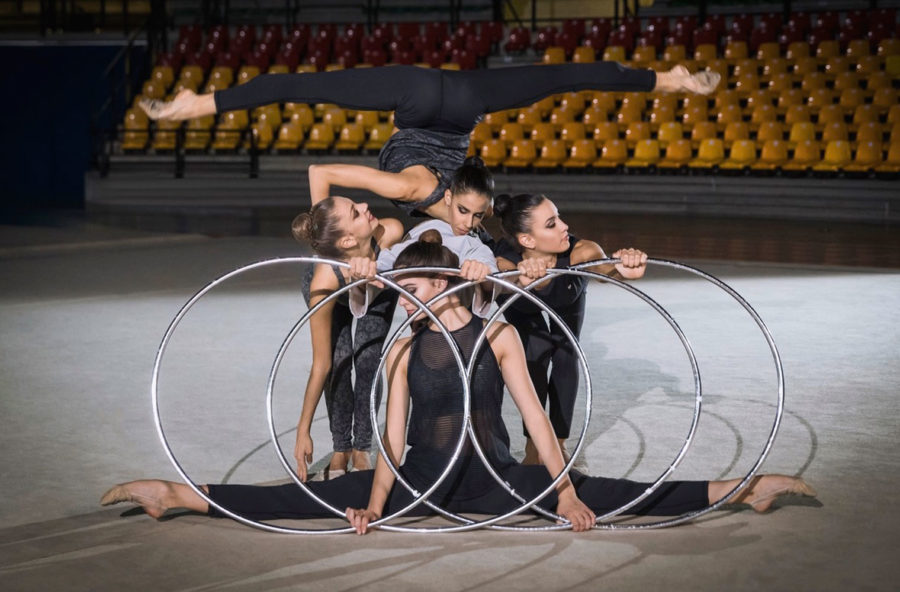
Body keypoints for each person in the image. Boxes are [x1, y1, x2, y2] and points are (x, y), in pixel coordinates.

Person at [101, 234, 816, 532]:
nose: (408, 291)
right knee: (307, 498)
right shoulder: (406, 343)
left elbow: (534, 417)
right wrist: (375, 505)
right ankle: (175, 496)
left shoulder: (495, 332)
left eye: (418, 280)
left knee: (613, 496)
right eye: (403, 280)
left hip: (497, 481)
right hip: (417, 481)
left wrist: (562, 490)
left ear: (443, 281)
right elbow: (390, 433)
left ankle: (746, 489)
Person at [140, 63, 721, 218]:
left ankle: (667, 80)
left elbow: (468, 220)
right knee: (304, 87)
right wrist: (327, 232)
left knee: (559, 76)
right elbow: (324, 174)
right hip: (419, 99)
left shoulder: (441, 200)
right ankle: (198, 104)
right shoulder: (415, 194)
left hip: (462, 101)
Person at [491, 193, 647, 468]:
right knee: (535, 355)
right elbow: (495, 276)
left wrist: (626, 269)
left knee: (565, 352)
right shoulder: (505, 258)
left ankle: (559, 442)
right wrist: (520, 272)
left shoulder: (581, 251)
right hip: (522, 302)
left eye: (559, 217)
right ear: (527, 240)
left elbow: (608, 269)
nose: (564, 226)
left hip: (566, 294)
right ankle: (534, 445)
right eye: (551, 224)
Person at [291, 196, 403, 480]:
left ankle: (361, 447)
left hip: (376, 291)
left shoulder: (389, 232)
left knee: (367, 359)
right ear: (347, 242)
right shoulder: (323, 281)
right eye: (356, 212)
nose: (365, 205)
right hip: (336, 296)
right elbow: (321, 365)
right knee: (339, 361)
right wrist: (302, 430)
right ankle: (341, 446)